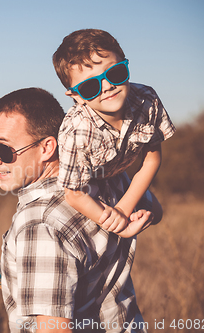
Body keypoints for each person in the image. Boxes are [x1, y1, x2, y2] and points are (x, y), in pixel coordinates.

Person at [0, 87, 154, 332]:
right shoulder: (105, 175)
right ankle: (27, 274)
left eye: (2, 149)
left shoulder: (39, 226)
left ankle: (30, 277)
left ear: (46, 148)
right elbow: (154, 207)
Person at [52, 29, 175, 234]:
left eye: (115, 73)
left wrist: (123, 208)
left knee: (157, 214)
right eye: (91, 86)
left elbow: (152, 159)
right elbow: (73, 194)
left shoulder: (146, 100)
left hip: (117, 174)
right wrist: (120, 226)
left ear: (126, 65)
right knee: (92, 233)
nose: (107, 86)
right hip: (81, 183)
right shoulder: (77, 130)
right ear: (76, 96)